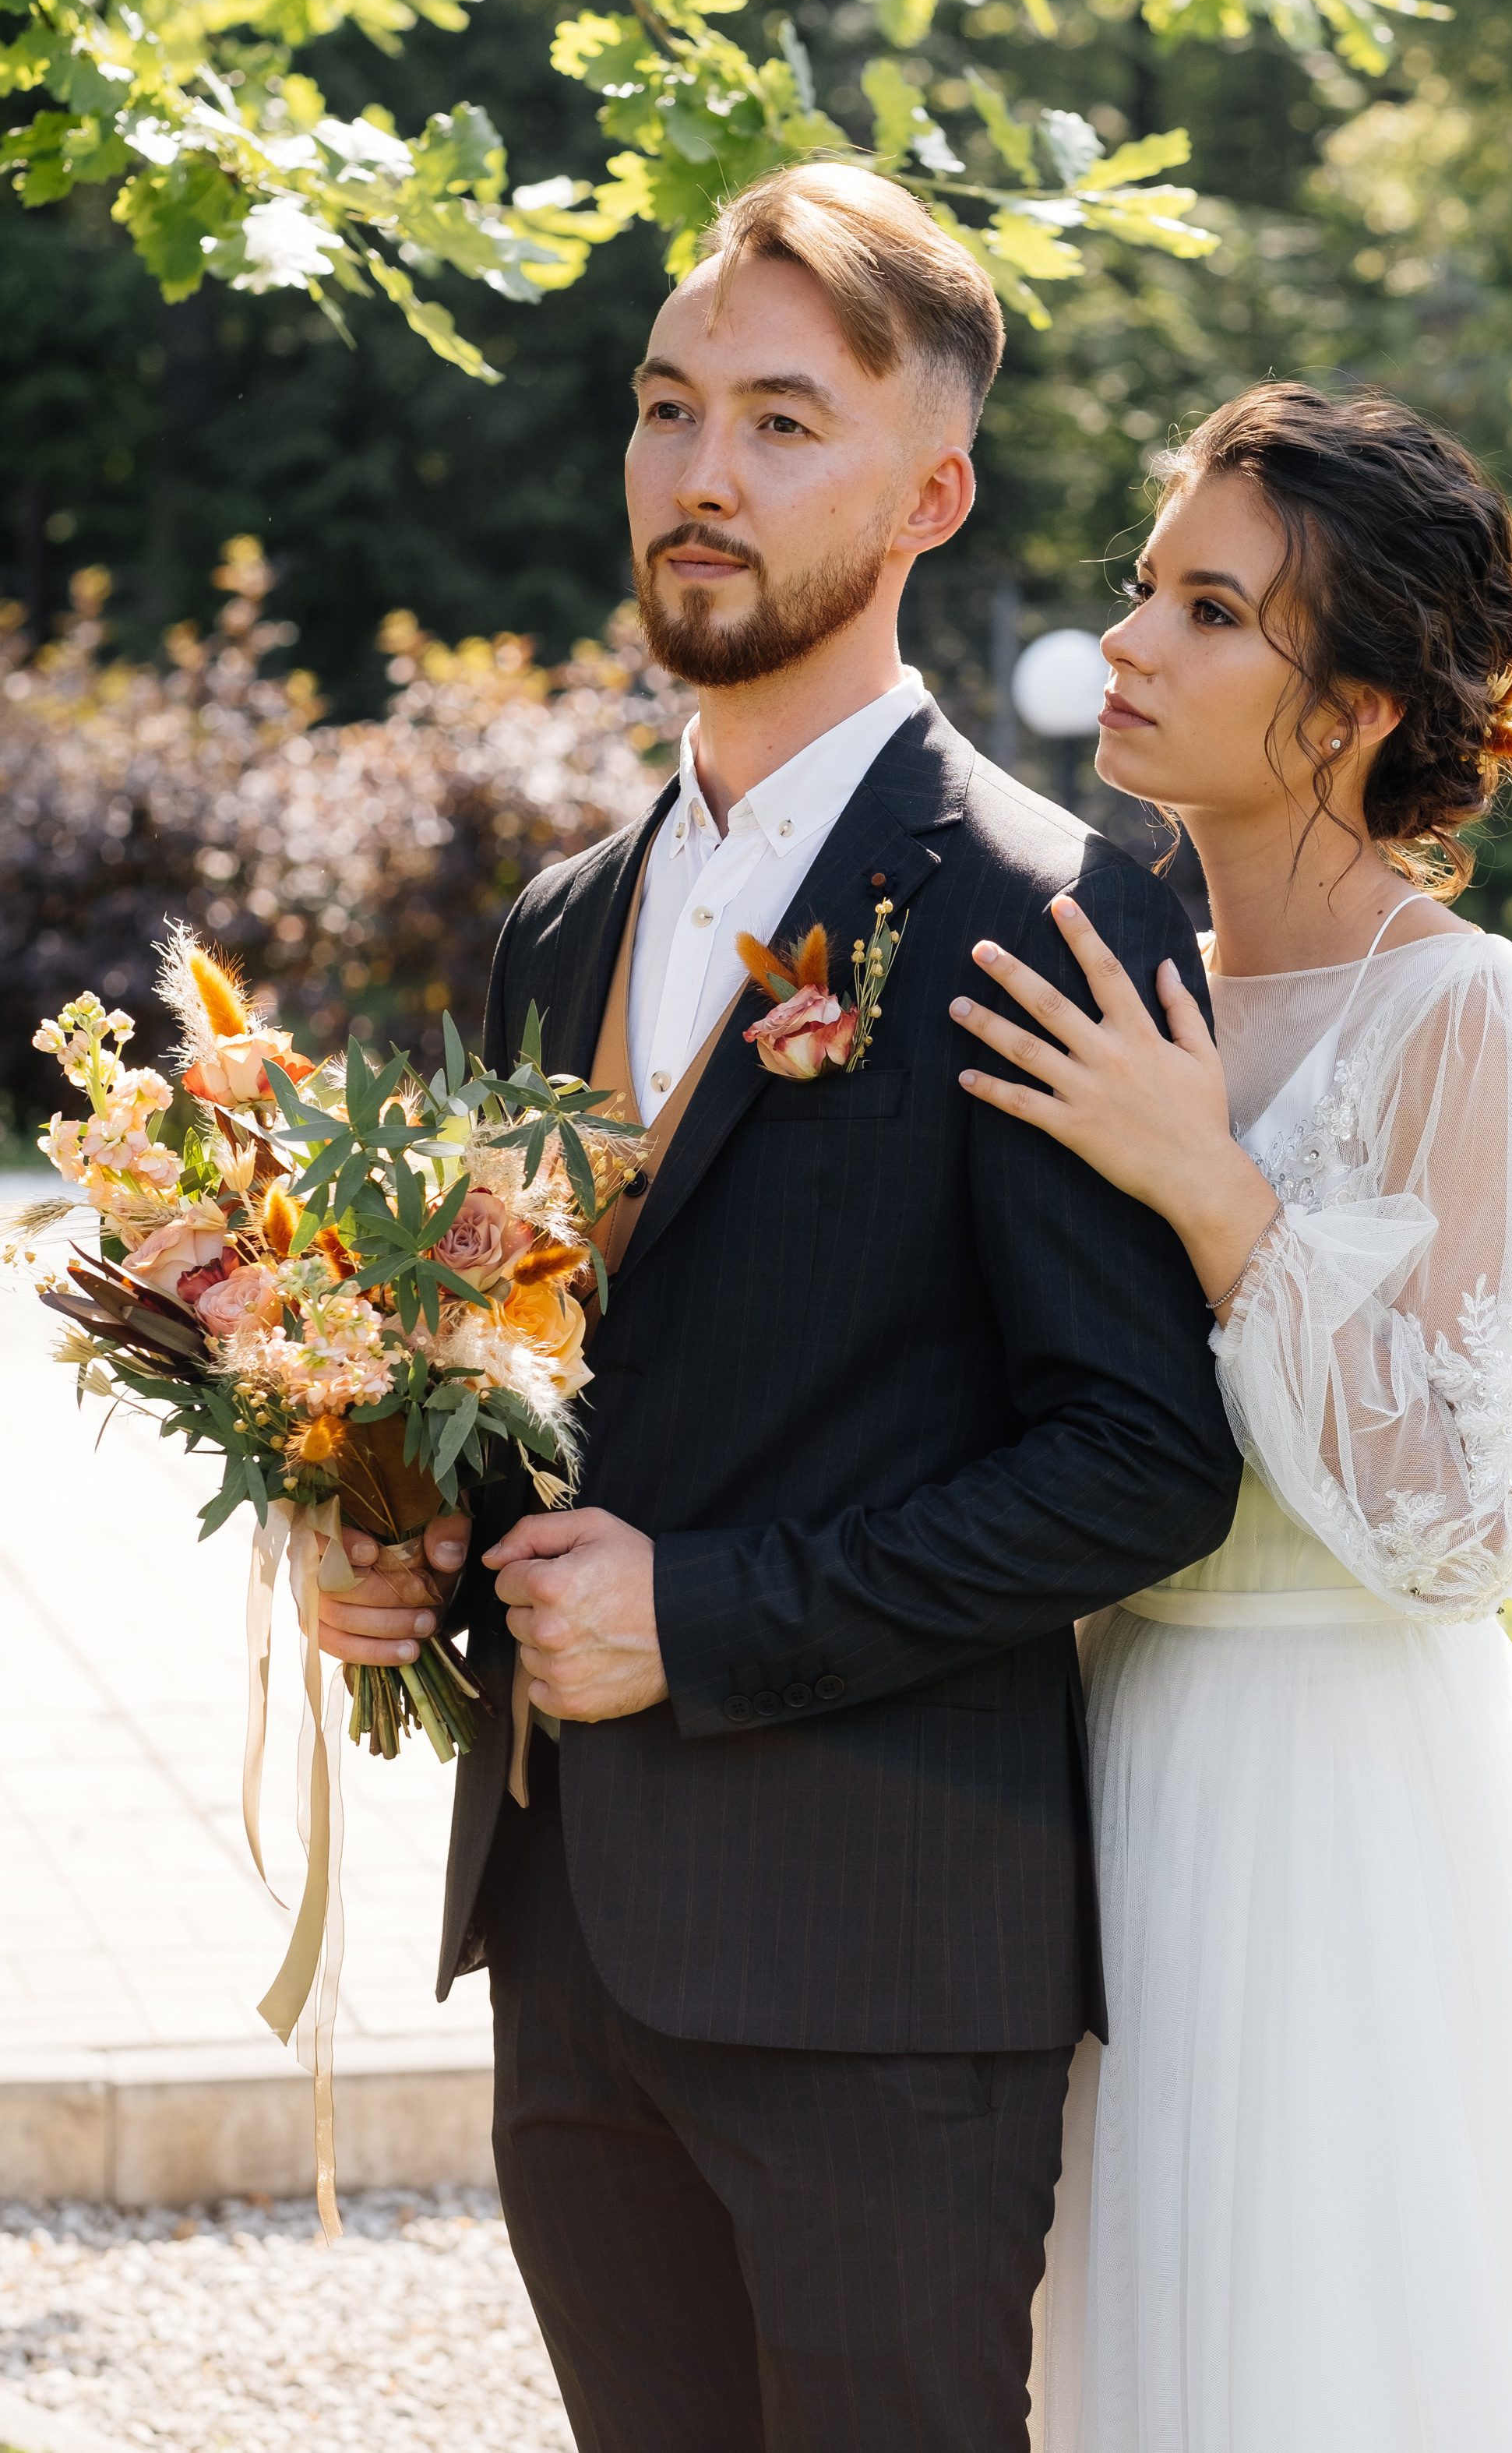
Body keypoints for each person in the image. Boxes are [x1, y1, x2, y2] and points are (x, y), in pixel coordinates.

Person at [312, 162, 1245, 2453]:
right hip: (568, 1948)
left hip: (880, 1984)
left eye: (781, 421)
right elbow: (561, 1379)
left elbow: (1143, 1463)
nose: (700, 472)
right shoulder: (561, 922)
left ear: (932, 494)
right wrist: (397, 1533)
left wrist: (704, 1616)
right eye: (666, 407)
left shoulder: (1049, 911)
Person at [948, 381, 1512, 2452]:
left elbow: (1461, 1530)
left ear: (1347, 711)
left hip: (1339, 1801)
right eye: (1145, 586)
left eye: (1210, 611)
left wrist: (1218, 1193)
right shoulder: (1108, 976)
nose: (1128, 641)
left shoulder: (1469, 1015)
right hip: (1086, 1763)